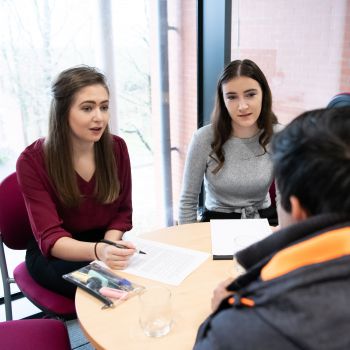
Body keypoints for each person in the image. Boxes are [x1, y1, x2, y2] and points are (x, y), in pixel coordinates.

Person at [193, 107, 350, 349]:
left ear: (296, 208)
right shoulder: (205, 137)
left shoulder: (240, 330)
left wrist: (222, 316)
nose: (242, 105)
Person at [16, 66, 134, 299]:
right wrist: (99, 252)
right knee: (116, 289)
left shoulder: (116, 148)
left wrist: (109, 247)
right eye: (87, 108)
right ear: (62, 112)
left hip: (102, 241)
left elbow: (123, 212)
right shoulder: (31, 161)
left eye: (104, 107)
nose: (99, 117)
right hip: (57, 255)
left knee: (134, 278)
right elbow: (51, 238)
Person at [178, 59, 282, 225]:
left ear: (263, 94)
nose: (242, 106)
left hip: (265, 220)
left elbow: (284, 197)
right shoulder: (204, 138)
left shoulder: (279, 135)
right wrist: (189, 245)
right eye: (232, 97)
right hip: (216, 222)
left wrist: (283, 235)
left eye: (250, 94)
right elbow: (188, 200)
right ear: (223, 101)